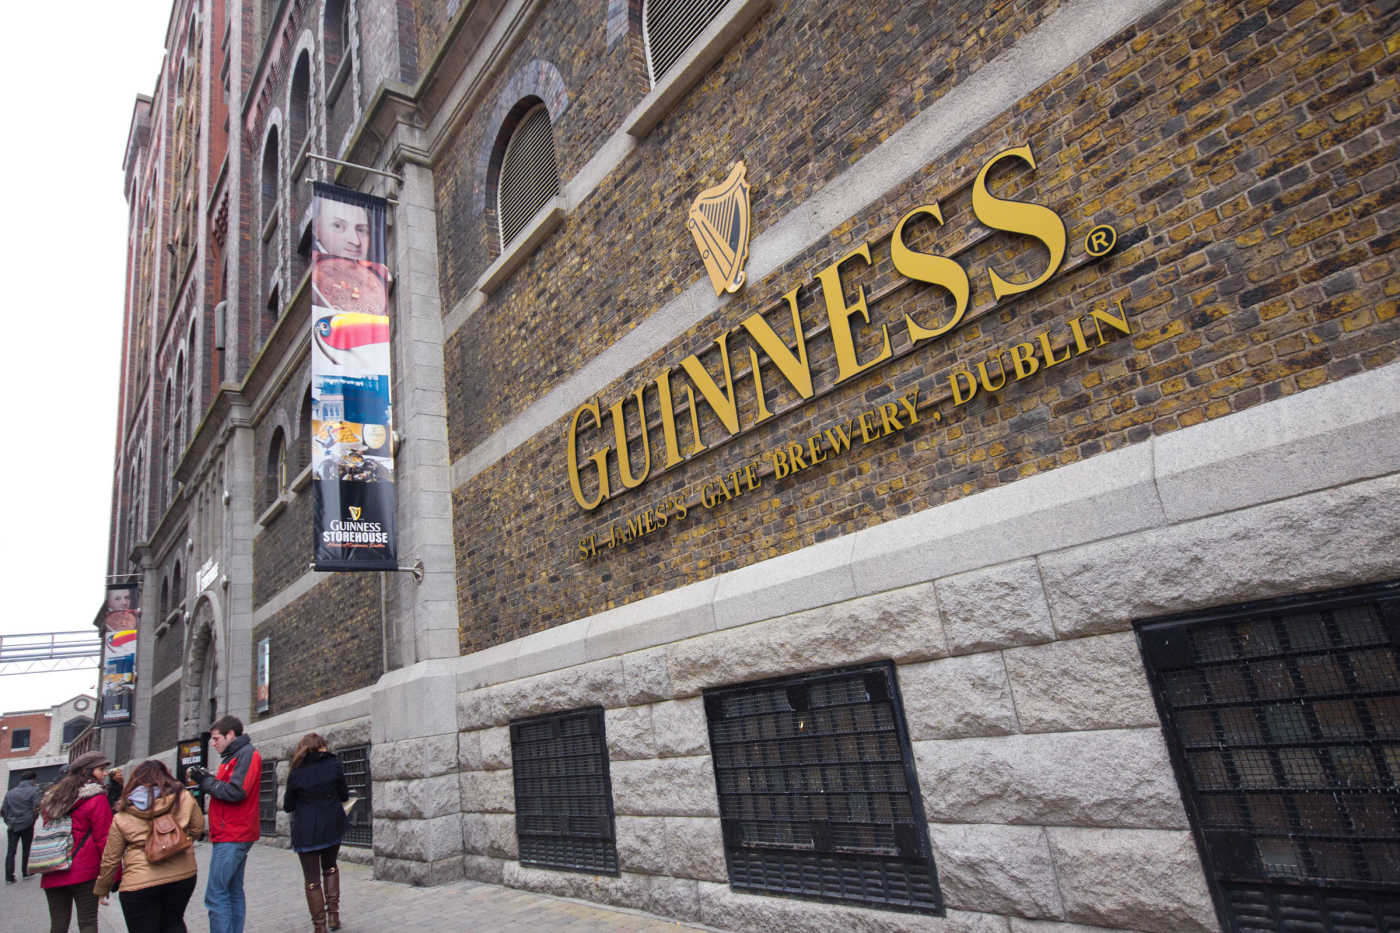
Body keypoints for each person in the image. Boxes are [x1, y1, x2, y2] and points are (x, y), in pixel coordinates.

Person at [94, 760, 205, 933]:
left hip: (139, 882)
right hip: (182, 874)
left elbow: (111, 857)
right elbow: (197, 829)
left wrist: (103, 888)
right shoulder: (184, 797)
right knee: (174, 922)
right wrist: (177, 843)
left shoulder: (122, 814)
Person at [187, 716, 260, 933]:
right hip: (231, 832)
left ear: (231, 735)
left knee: (216, 894)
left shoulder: (246, 754)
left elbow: (236, 792)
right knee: (231, 891)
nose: (212, 743)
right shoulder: (234, 756)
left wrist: (206, 781)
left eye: (216, 738)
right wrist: (209, 780)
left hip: (233, 834)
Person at [39, 751, 115, 933]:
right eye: (101, 769)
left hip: (53, 866)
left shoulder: (53, 798)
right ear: (86, 772)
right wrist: (111, 876)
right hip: (84, 872)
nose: (105, 773)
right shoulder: (97, 798)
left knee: (58, 926)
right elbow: (105, 840)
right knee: (88, 923)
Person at [282, 733, 350, 933]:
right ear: (322, 746)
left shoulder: (296, 771)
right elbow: (344, 795)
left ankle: (319, 926)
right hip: (332, 825)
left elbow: (288, 806)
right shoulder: (333, 764)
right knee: (330, 867)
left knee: (312, 880)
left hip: (306, 831)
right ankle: (333, 916)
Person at [3, 769, 41, 882]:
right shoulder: (34, 791)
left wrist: (9, 821)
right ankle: (26, 872)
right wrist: (33, 819)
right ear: (32, 780)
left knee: (11, 850)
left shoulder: (10, 792)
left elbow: (4, 809)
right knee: (26, 848)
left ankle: (9, 876)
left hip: (12, 824)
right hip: (27, 823)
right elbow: (37, 807)